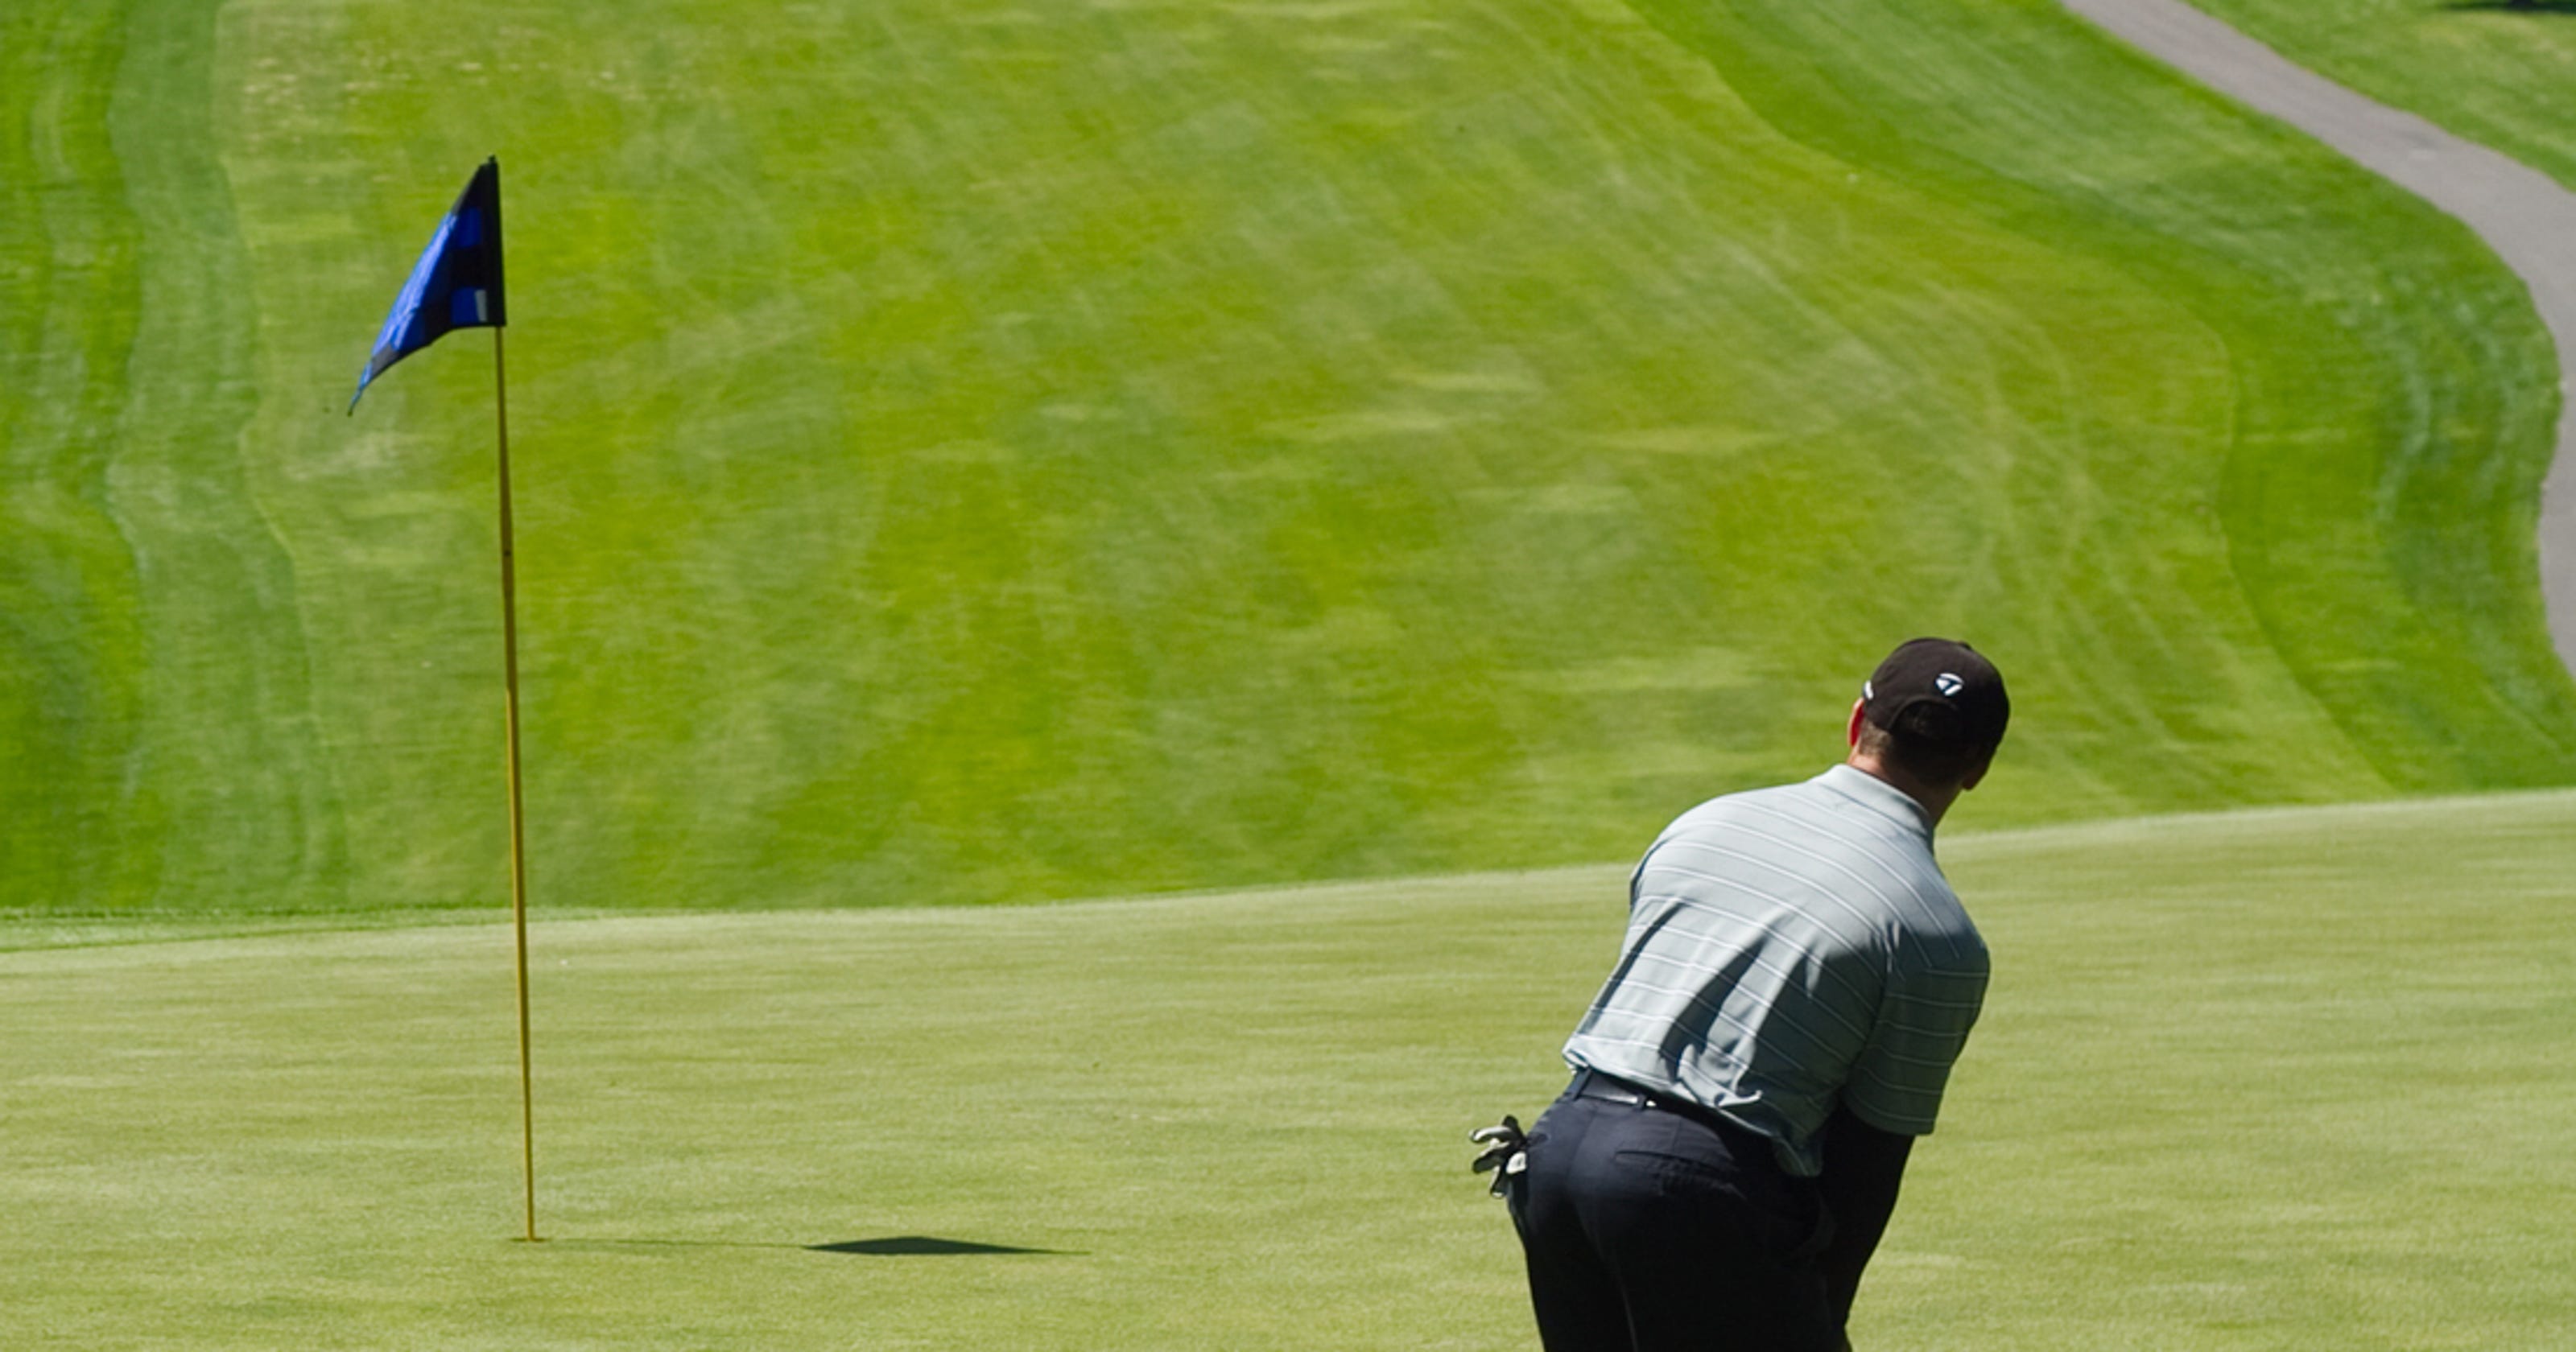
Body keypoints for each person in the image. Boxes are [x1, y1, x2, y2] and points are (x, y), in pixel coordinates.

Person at [1480, 638, 2009, 1351]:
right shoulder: (1939, 936)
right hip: (1692, 1186)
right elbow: (1867, 1163)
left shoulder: (1705, 821)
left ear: (1857, 722)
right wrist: (1822, 1318)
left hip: (1560, 1156)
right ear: (1978, 768)